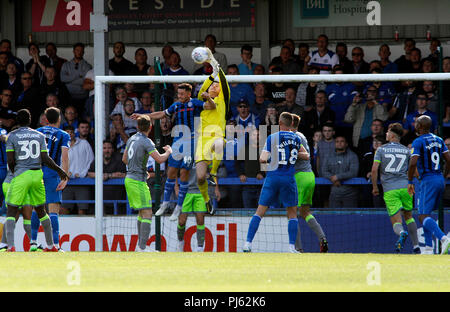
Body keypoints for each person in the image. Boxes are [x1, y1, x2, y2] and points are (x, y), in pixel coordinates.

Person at [133, 83, 213, 220]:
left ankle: (179, 207)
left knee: (184, 173)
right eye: (178, 94)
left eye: (182, 94)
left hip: (192, 141)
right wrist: (143, 115)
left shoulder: (195, 103)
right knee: (171, 171)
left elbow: (211, 107)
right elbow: (161, 114)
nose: (180, 96)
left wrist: (209, 98)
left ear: (189, 93)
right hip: (178, 140)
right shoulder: (175, 106)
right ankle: (165, 204)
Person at [243, 112, 309, 253]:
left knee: (260, 211)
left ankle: (247, 244)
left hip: (273, 177)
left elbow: (262, 159)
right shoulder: (296, 138)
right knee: (292, 213)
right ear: (291, 123)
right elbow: (306, 156)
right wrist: (294, 154)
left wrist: (274, 156)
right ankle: (292, 247)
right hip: (289, 179)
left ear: (279, 123)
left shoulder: (272, 137)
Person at [4, 109, 68, 252]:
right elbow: (45, 158)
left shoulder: (12, 136)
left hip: (21, 174)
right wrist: (60, 171)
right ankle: (51, 246)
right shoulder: (38, 135)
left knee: (11, 210)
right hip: (37, 175)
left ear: (17, 121)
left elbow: (10, 159)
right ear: (30, 119)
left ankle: (10, 246)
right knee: (41, 211)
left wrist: (16, 173)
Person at [122, 115, 172, 252]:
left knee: (141, 213)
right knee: (148, 213)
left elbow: (124, 159)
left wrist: (139, 168)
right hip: (137, 181)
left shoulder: (131, 138)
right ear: (150, 127)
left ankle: (140, 246)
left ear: (137, 126)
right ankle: (142, 247)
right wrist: (168, 152)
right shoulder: (146, 141)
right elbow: (160, 159)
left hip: (130, 178)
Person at [371, 123, 420, 253]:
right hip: (406, 187)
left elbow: (374, 170)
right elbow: (414, 170)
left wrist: (375, 187)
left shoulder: (381, 150)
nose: (386, 134)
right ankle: (416, 247)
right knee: (409, 216)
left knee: (396, 221)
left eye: (387, 132)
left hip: (390, 189)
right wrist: (418, 179)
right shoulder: (406, 150)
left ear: (392, 135)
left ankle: (402, 233)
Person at [407, 115, 450, 255]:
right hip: (439, 179)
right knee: (425, 214)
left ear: (419, 126)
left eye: (416, 123)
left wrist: (409, 181)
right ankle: (428, 249)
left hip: (427, 180)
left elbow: (413, 163)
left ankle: (444, 239)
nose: (414, 125)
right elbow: (449, 159)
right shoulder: (439, 140)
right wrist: (444, 175)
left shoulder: (418, 141)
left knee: (422, 216)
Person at [194, 50, 231, 213]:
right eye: (212, 85)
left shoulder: (223, 99)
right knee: (199, 177)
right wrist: (211, 76)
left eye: (216, 85)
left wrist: (212, 59)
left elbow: (221, 78)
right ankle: (207, 200)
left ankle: (213, 173)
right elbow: (204, 88)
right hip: (202, 140)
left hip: (217, 138)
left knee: (219, 143)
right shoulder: (204, 101)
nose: (215, 86)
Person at [30, 107, 70, 252]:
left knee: (37, 208)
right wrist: (65, 176)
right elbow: (64, 157)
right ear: (59, 118)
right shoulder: (63, 135)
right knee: (53, 210)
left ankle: (33, 243)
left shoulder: (36, 132)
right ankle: (55, 245)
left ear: (45, 119)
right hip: (53, 173)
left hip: (36, 172)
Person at [290, 115, 328, 253]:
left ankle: (298, 248)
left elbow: (296, 156)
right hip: (309, 176)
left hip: (299, 177)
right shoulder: (302, 136)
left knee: (292, 213)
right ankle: (322, 237)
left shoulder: (292, 137)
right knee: (305, 212)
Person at [176, 163, 220, 252]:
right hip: (185, 191)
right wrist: (176, 187)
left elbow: (212, 172)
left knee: (200, 220)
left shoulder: (204, 155)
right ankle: (180, 242)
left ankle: (200, 248)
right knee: (181, 221)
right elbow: (174, 171)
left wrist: (216, 188)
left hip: (200, 192)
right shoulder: (184, 153)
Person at [61, 124, 94, 215]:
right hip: (68, 182)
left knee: (82, 209)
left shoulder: (84, 143)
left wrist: (82, 174)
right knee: (64, 209)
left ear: (74, 133)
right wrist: (65, 173)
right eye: (67, 132)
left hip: (82, 181)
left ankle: (83, 229)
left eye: (71, 132)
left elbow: (91, 160)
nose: (70, 134)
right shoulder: (61, 147)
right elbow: (59, 163)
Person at [87, 140, 127, 214]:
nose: (107, 150)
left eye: (109, 148)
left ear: (113, 149)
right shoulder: (97, 161)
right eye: (104, 148)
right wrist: (100, 176)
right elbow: (89, 173)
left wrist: (108, 176)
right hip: (102, 201)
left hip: (118, 200)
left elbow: (124, 174)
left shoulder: (119, 160)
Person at [321, 136, 359, 208]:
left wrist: (337, 177)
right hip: (334, 192)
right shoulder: (328, 156)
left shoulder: (353, 156)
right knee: (334, 217)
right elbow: (324, 171)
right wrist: (332, 178)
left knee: (350, 217)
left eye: (342, 141)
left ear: (346, 144)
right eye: (337, 141)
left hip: (350, 193)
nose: (339, 143)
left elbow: (353, 172)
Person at [60, 42, 92, 115]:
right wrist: (78, 75)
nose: (79, 52)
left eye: (81, 51)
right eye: (77, 50)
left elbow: (85, 82)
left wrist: (69, 78)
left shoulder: (87, 66)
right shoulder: (66, 65)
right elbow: (63, 79)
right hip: (68, 97)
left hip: (82, 97)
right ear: (73, 51)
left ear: (83, 52)